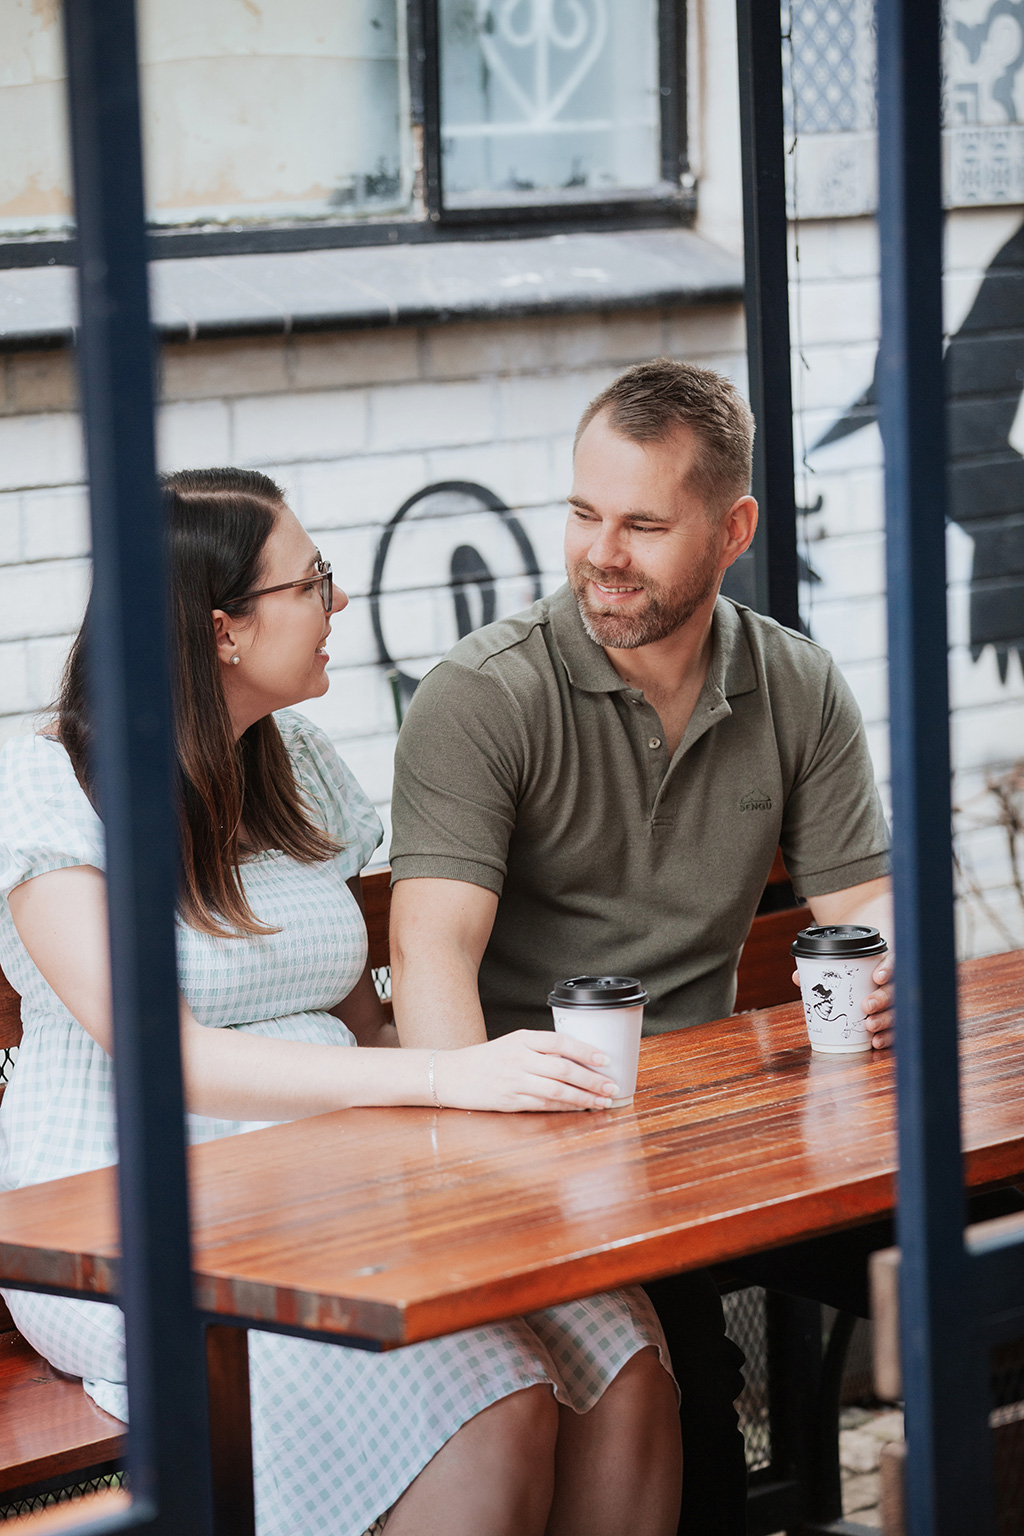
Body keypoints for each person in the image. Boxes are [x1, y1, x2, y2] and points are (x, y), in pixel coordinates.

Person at [0, 468, 682, 1536]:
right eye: (313, 580)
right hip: (123, 1215)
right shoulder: (54, 788)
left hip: (336, 1187)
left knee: (621, 1348)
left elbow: (357, 1025)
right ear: (224, 631)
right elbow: (158, 1054)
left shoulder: (298, 769)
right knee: (488, 1399)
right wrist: (444, 1074)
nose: (339, 603)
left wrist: (524, 1072)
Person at [387, 360, 897, 1535]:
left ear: (732, 531)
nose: (599, 552)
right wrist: (485, 1200)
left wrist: (885, 982)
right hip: (549, 1147)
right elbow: (429, 962)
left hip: (735, 1134)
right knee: (699, 1449)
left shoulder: (795, 685)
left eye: (642, 524)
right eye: (582, 512)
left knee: (984, 1240)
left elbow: (862, 906)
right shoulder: (484, 697)